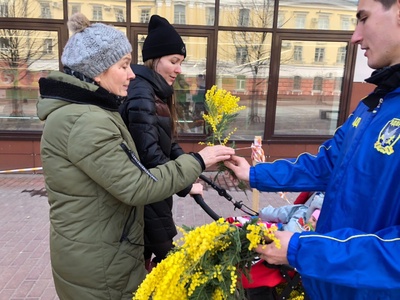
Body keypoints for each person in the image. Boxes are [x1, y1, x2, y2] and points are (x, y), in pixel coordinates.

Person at [37, 13, 234, 300]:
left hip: (97, 252)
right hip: (101, 265)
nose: (132, 73)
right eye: (124, 65)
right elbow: (138, 185)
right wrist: (198, 161)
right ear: (98, 70)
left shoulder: (90, 112)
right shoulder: (87, 121)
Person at [224, 0, 400, 298]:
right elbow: (326, 165)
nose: (355, 36)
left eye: (363, 18)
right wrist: (254, 174)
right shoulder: (374, 104)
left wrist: (300, 250)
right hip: (329, 286)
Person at [119, 14, 204, 272]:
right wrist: (185, 183)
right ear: (154, 60)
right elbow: (150, 157)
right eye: (174, 61)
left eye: (181, 62)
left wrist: (187, 162)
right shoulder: (142, 94)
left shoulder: (153, 90)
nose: (179, 69)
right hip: (147, 199)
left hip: (154, 195)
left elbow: (165, 141)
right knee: (162, 264)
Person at [258, 191, 324, 232]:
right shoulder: (302, 211)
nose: (313, 224)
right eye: (313, 220)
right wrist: (263, 213)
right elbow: (282, 212)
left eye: (318, 224)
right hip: (278, 234)